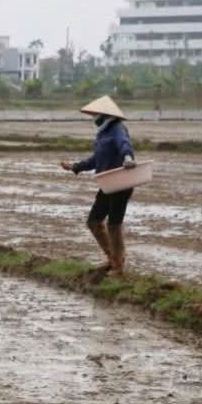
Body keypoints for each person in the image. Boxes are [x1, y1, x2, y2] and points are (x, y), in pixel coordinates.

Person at [60, 95, 137, 276]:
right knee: (93, 221)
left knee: (114, 224)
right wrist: (75, 167)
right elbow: (96, 159)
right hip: (107, 182)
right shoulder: (103, 134)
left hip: (121, 181)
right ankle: (112, 258)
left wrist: (127, 158)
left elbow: (124, 145)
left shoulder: (117, 129)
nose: (94, 118)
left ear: (105, 115)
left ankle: (118, 266)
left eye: (96, 114)